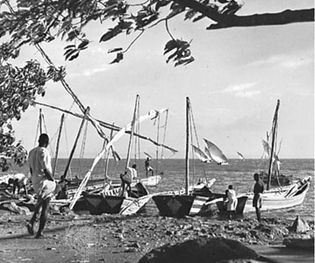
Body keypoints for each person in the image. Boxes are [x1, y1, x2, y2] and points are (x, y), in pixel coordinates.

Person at [26, 134, 56, 238]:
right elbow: (45, 169)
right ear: (46, 142)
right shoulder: (44, 152)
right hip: (44, 181)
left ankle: (32, 221)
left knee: (41, 202)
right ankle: (39, 232)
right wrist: (52, 179)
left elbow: (31, 169)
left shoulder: (31, 152)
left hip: (35, 181)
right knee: (46, 206)